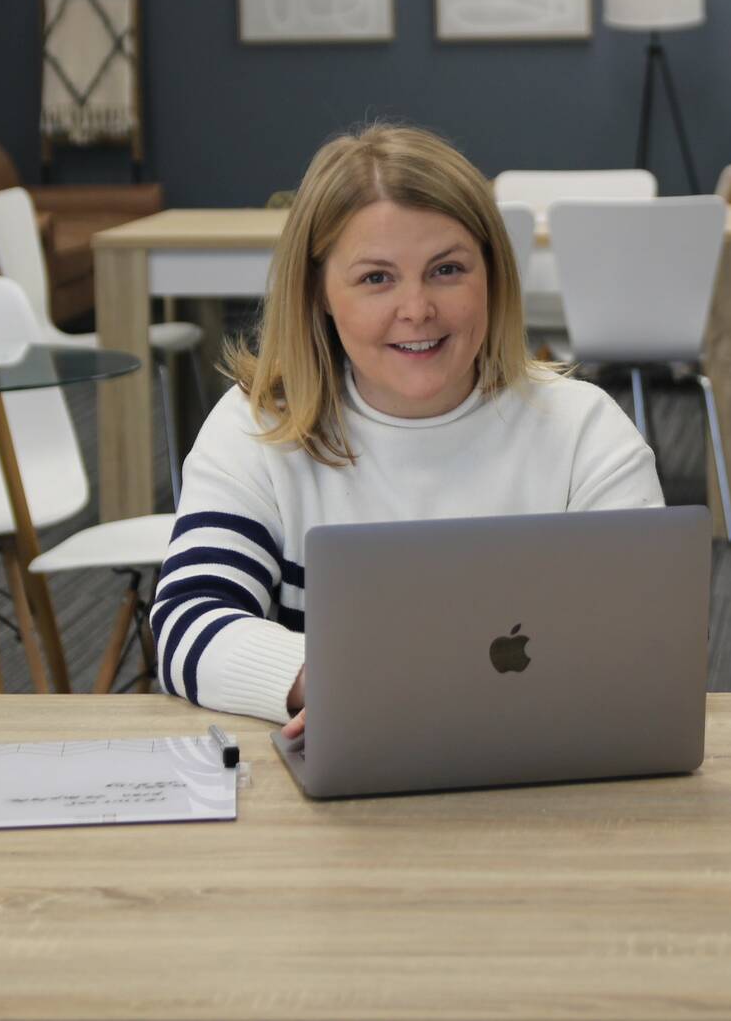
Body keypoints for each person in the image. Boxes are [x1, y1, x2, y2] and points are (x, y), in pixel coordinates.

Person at [154, 123, 664, 736]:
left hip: (549, 779)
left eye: (447, 270)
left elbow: (651, 637)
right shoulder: (258, 426)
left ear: (493, 276)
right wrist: (336, 681)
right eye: (376, 278)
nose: (417, 308)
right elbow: (188, 621)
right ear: (320, 292)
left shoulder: (585, 428)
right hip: (334, 809)